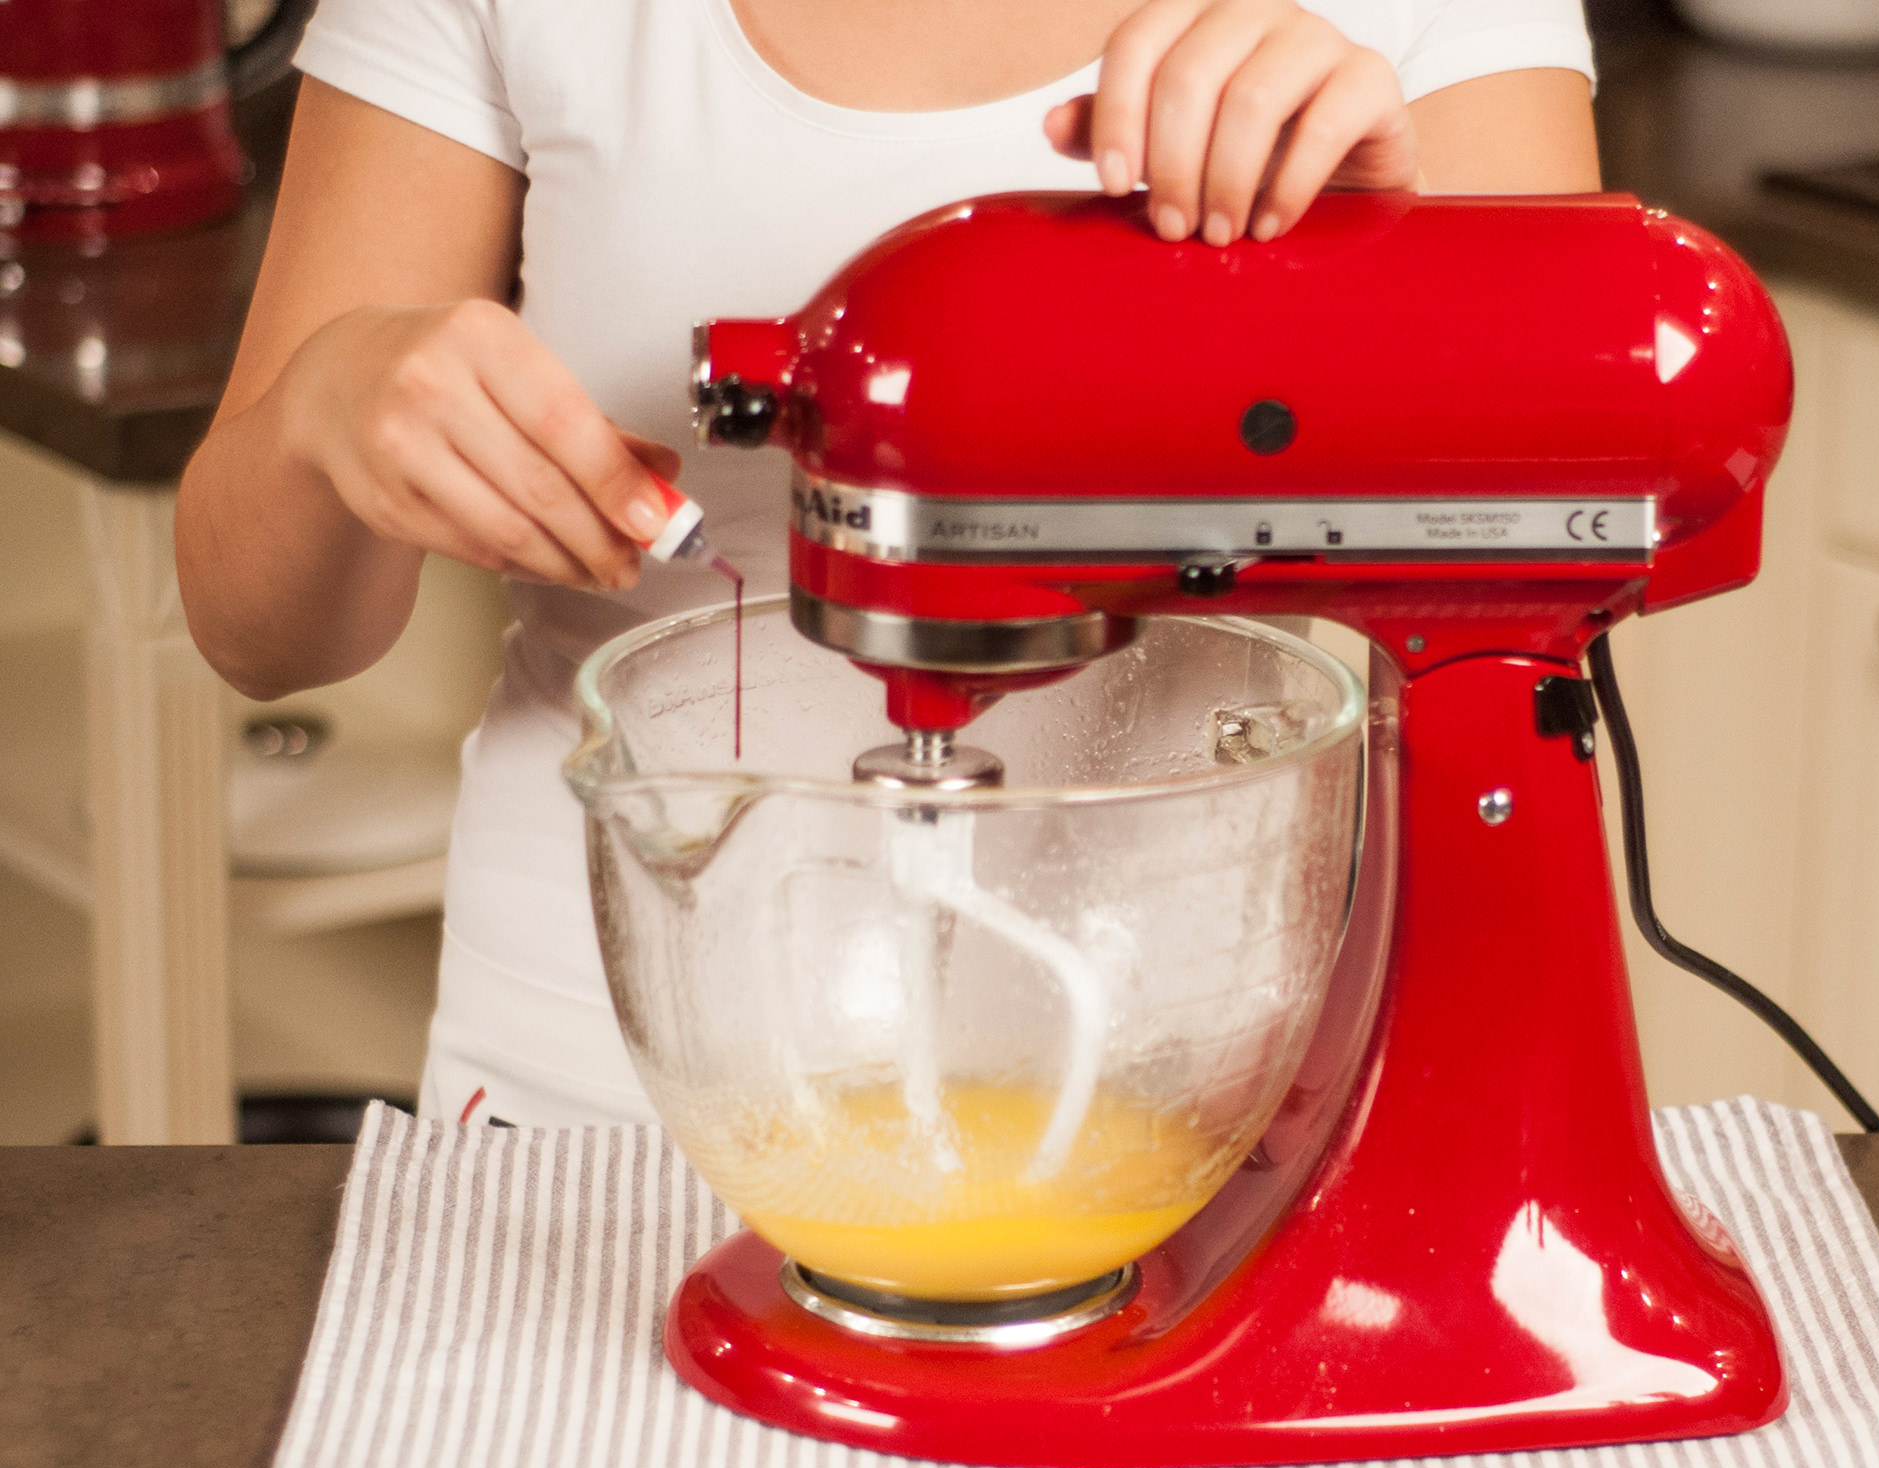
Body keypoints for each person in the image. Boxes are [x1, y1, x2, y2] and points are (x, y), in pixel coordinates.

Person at [176, 0, 1601, 1125]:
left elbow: (1569, 564)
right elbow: (260, 632)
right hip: (597, 1092)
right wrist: (328, 405)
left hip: (1206, 1094)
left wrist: (1382, 271)